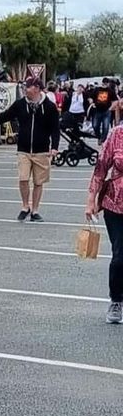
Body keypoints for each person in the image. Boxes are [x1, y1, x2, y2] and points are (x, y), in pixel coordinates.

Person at [0, 76, 61, 220]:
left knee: (38, 181)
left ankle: (35, 210)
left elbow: (55, 129)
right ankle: (25, 206)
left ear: (36, 88)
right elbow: (4, 116)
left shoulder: (49, 107)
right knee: (23, 178)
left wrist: (54, 147)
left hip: (42, 149)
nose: (25, 89)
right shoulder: (20, 104)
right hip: (23, 149)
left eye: (28, 87)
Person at [86, 121, 123, 324]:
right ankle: (116, 300)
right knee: (119, 257)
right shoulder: (117, 134)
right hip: (115, 206)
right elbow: (101, 168)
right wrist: (91, 200)